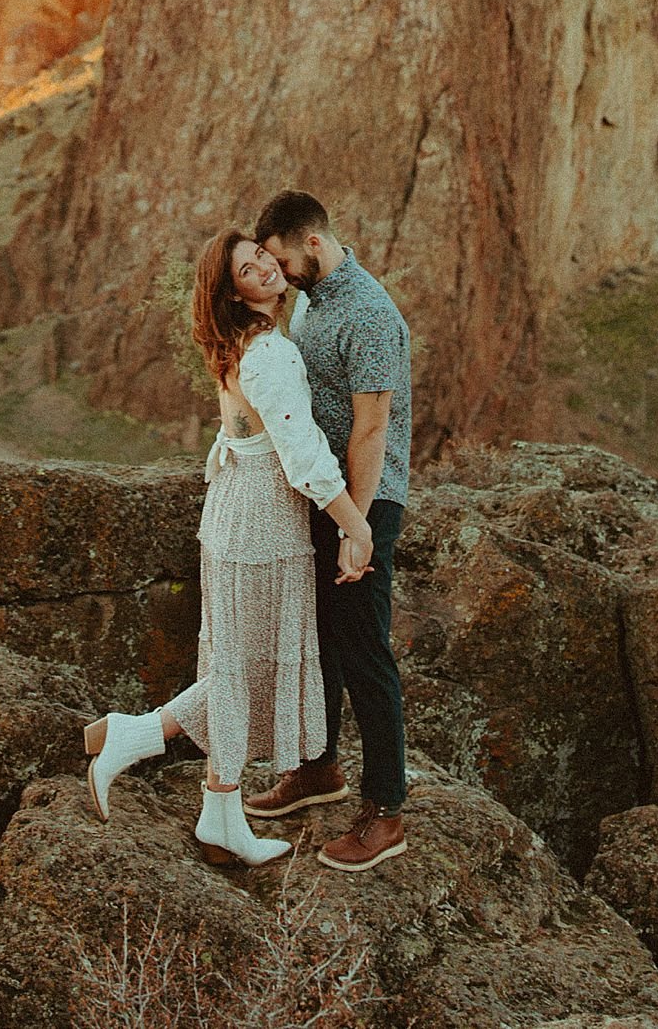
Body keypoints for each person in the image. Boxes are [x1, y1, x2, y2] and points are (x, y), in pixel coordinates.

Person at [82, 228, 375, 866]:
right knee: (245, 673)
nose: (267, 268)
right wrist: (356, 524)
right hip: (262, 527)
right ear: (234, 293)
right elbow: (303, 455)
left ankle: (202, 798)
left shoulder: (248, 344)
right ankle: (151, 750)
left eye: (265, 257)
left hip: (239, 515)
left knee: (237, 668)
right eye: (248, 269)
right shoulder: (269, 352)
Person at [247, 189, 412, 872]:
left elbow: (372, 429)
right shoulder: (315, 299)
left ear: (311, 243)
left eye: (283, 260)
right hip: (329, 497)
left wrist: (358, 526)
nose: (279, 275)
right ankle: (319, 769)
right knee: (322, 642)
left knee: (365, 649)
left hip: (366, 502)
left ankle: (387, 810)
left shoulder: (370, 314)